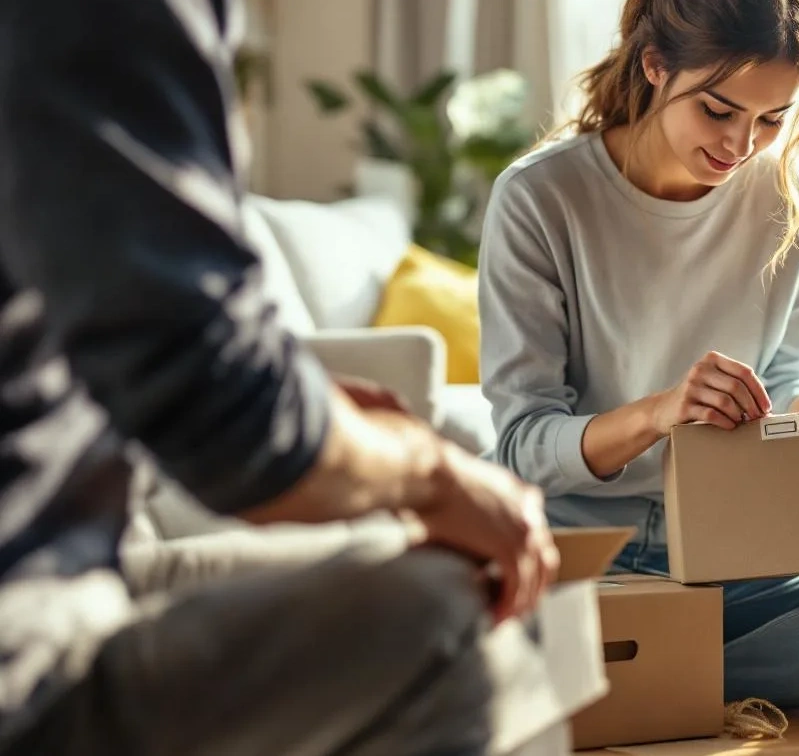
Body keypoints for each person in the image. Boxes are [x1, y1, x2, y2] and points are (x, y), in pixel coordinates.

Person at [0, 0, 558, 753]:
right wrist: (433, 471)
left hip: (84, 567)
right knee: (461, 619)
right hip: (31, 644)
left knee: (441, 573)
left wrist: (321, 413)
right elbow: (228, 419)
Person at [478, 0, 799, 708]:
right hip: (574, 550)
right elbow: (521, 445)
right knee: (431, 621)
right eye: (718, 111)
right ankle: (647, 674)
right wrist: (658, 413)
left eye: (771, 120)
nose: (742, 145)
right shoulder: (539, 198)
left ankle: (642, 686)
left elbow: (782, 387)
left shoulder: (790, 201)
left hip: (727, 551)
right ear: (655, 65)